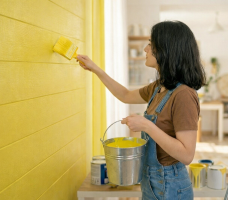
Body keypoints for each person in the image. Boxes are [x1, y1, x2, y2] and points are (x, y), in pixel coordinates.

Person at [77, 20, 206, 200]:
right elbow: (126, 95)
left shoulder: (183, 95)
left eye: (150, 44)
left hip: (170, 186)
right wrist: (96, 69)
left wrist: (147, 126)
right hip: (152, 182)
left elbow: (186, 155)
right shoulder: (159, 87)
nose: (145, 49)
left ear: (166, 50)